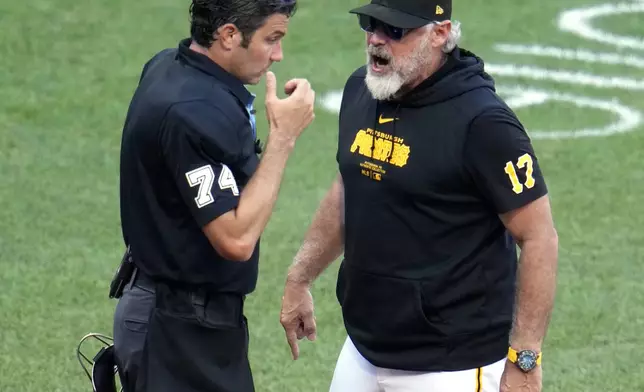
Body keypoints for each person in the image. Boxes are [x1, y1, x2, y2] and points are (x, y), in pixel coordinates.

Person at [279, 0, 558, 391]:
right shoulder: (362, 92)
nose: (376, 39)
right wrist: (300, 277)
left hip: (452, 365)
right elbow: (350, 187)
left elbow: (539, 237)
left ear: (439, 34)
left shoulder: (483, 123)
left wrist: (526, 359)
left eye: (395, 31)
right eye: (370, 23)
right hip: (364, 350)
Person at [111, 0, 315, 391]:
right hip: (175, 328)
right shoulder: (193, 111)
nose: (278, 54)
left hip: (180, 313)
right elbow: (235, 239)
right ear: (228, 35)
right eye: (271, 39)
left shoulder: (169, 65)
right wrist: (284, 138)